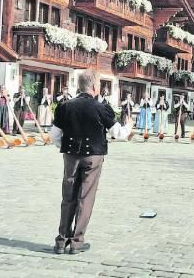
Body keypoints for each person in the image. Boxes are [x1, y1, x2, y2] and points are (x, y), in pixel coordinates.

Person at [51, 70, 123, 254]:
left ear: (79, 86)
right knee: (86, 198)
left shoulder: (65, 106)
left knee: (68, 197)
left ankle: (61, 240)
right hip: (93, 157)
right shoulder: (101, 108)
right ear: (94, 86)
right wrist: (128, 126)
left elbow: (54, 136)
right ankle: (77, 241)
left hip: (70, 156)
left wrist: (67, 148)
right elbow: (118, 133)